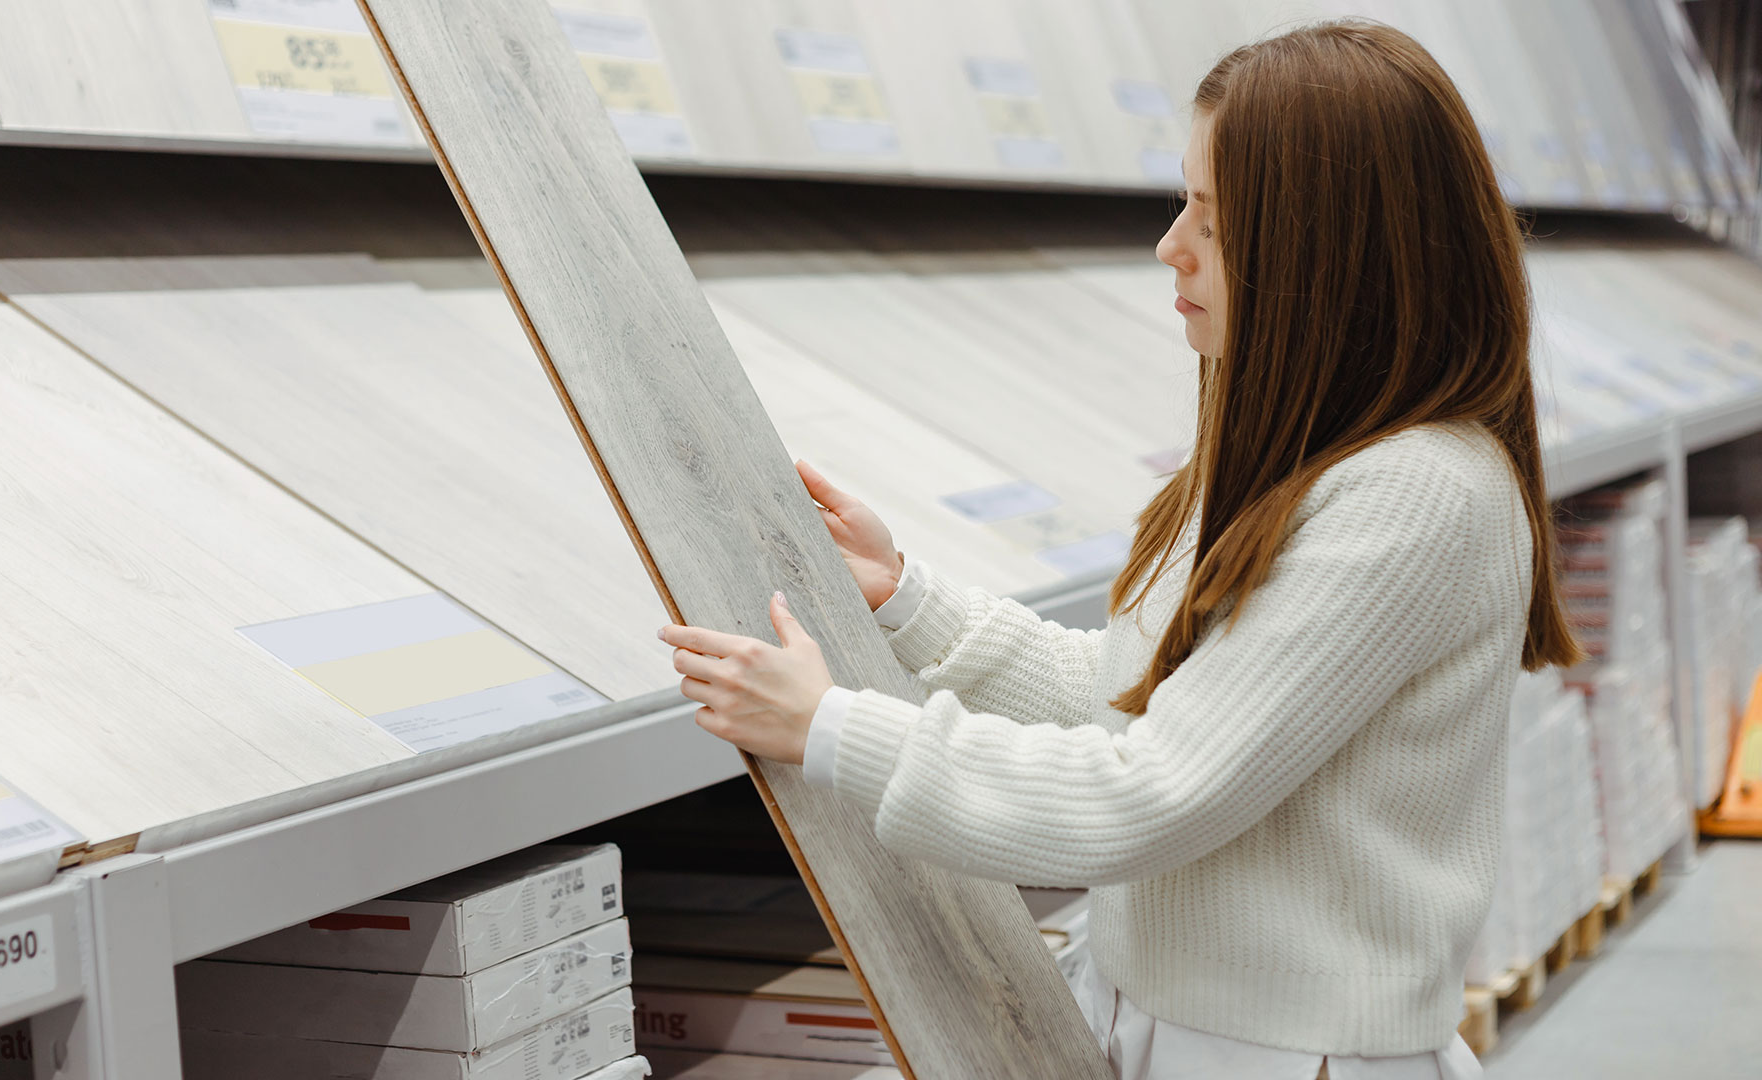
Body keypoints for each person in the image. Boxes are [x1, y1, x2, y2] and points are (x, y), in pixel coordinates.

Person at [658, 20, 1580, 1079]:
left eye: (1214, 221)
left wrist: (831, 729)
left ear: (1326, 259)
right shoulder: (1297, 456)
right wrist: (908, 600)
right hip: (1185, 1036)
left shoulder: (1417, 495)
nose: (1169, 245)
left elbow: (1147, 793)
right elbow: (1134, 698)